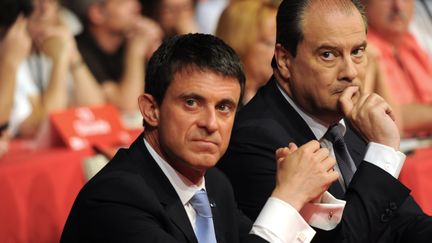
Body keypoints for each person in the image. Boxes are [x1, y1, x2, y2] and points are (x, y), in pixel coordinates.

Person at [61, 33, 410, 243]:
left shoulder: (215, 186)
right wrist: (286, 199)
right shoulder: (116, 199)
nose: (211, 123)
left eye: (225, 107)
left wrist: (307, 204)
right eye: (192, 103)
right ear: (151, 109)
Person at [218, 0, 432, 242]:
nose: (350, 72)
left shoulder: (344, 121)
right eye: (328, 55)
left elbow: (406, 222)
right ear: (285, 60)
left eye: (357, 52)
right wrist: (382, 151)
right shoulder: (252, 139)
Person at [64, 0, 162, 113]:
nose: (137, 6)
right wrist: (135, 52)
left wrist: (156, 51)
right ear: (98, 13)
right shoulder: (78, 49)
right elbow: (127, 106)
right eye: (123, 2)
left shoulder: (129, 39)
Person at [362, 0, 432, 136]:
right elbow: (389, 117)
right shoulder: (361, 48)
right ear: (364, 3)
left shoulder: (409, 41)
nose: (398, 6)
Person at [216, 0, 278, 105]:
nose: (280, 52)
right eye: (269, 43)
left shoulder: (277, 98)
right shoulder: (218, 101)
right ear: (240, 44)